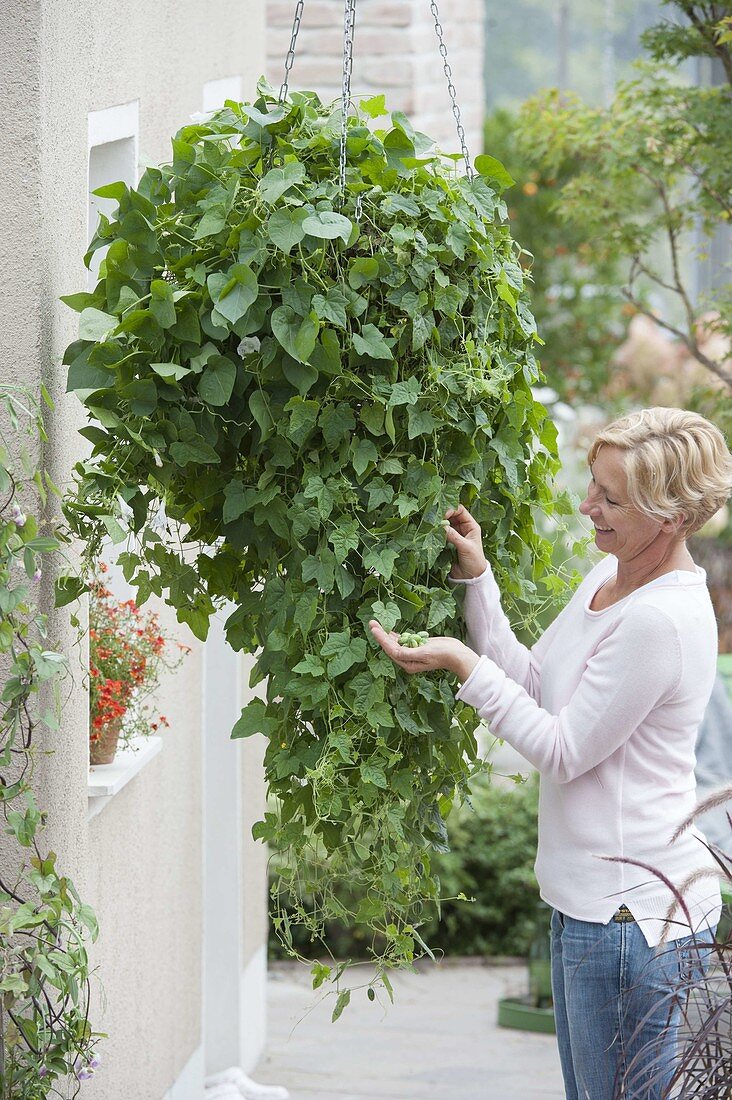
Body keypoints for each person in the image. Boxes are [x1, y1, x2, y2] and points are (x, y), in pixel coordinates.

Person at [368, 406, 732, 1099]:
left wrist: (461, 667)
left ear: (673, 517)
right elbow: (535, 683)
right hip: (589, 907)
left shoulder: (658, 619)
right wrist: (479, 584)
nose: (586, 505)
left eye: (611, 498)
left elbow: (563, 750)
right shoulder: (611, 579)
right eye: (594, 486)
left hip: (635, 919)